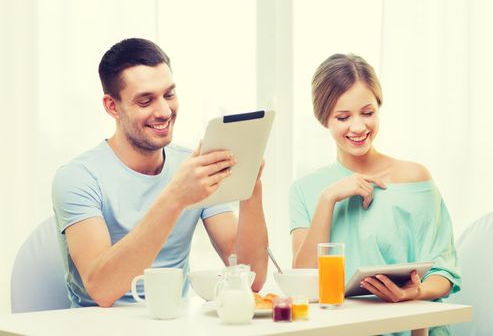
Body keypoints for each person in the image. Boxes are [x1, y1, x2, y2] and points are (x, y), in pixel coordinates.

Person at [52, 38, 268, 308]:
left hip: (172, 324)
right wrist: (176, 196)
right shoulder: (78, 177)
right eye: (145, 101)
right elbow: (102, 290)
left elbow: (253, 278)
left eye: (169, 95)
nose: (165, 111)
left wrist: (250, 185)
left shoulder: (192, 167)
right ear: (112, 106)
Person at [289, 53, 460, 334]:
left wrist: (412, 294)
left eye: (367, 113)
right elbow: (304, 281)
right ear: (324, 120)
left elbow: (444, 272)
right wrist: (328, 199)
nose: (358, 127)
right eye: (343, 117)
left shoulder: (415, 179)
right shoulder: (306, 190)